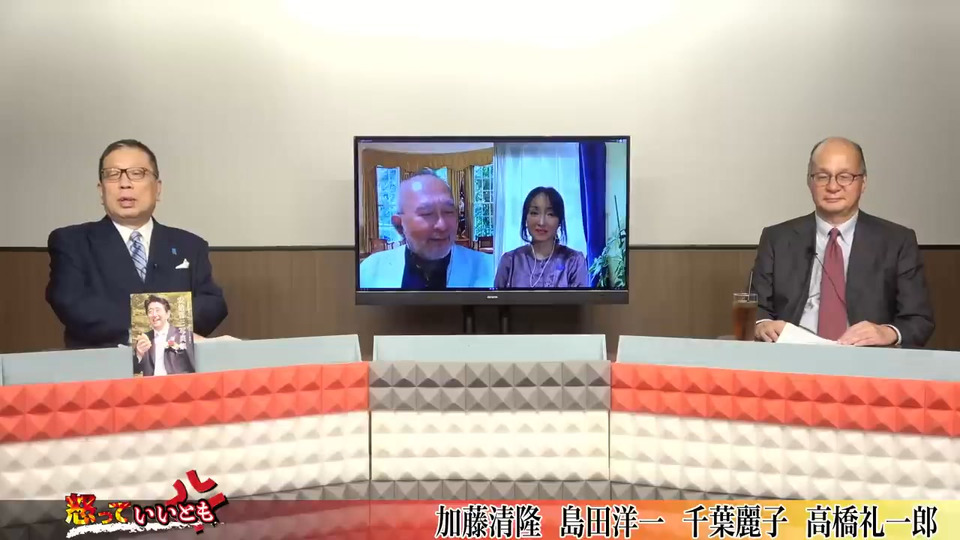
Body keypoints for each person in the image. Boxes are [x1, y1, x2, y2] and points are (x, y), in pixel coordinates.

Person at [750, 137, 934, 347]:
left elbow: (919, 320)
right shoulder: (777, 238)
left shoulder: (897, 241)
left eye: (844, 177)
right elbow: (755, 307)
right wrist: (762, 324)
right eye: (822, 176)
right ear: (809, 182)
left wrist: (887, 332)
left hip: (866, 357)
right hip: (792, 354)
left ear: (863, 183)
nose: (833, 186)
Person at [46, 139, 228, 349]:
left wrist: (167, 333)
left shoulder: (190, 245)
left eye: (137, 173)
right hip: (103, 365)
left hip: (176, 363)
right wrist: (150, 332)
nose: (125, 183)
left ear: (157, 189)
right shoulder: (72, 242)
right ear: (101, 190)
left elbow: (212, 303)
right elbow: (70, 302)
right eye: (113, 174)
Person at [359, 171, 494, 289]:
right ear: (399, 225)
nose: (442, 225)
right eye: (427, 213)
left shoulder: (491, 268)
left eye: (449, 211)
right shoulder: (371, 270)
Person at [494, 187, 589, 288]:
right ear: (525, 218)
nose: (541, 222)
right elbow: (496, 298)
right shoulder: (510, 261)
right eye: (534, 213)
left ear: (560, 221)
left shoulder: (574, 261)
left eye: (550, 214)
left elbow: (580, 298)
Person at [133, 295, 195, 376]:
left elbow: (194, 365)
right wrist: (139, 354)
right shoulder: (144, 339)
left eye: (157, 310)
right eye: (150, 311)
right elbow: (135, 369)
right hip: (151, 383)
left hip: (177, 382)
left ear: (167, 314)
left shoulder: (184, 335)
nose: (154, 314)